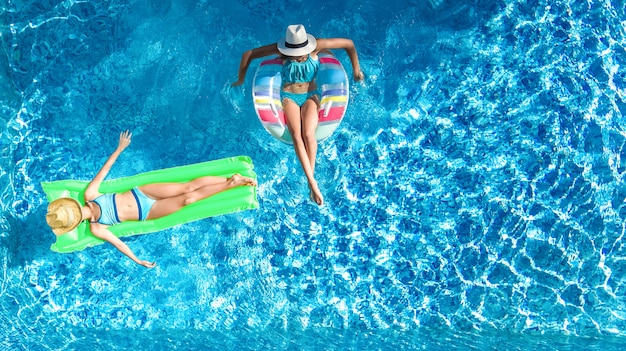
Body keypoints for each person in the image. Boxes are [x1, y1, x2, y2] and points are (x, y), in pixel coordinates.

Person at [45, 130, 257, 268]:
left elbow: (105, 169)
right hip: (147, 212)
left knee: (188, 186)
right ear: (74, 221)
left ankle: (232, 180)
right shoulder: (95, 228)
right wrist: (137, 260)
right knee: (188, 200)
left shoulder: (90, 195)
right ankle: (231, 183)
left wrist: (119, 148)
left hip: (142, 193)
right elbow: (119, 244)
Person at [232, 24, 364, 206]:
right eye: (294, 54)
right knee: (296, 136)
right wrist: (241, 79)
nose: (299, 56)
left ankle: (311, 184)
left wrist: (356, 71)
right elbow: (248, 54)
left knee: (308, 134)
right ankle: (312, 182)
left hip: (311, 95)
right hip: (289, 97)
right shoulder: (282, 52)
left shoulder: (317, 46)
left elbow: (348, 44)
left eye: (301, 52)